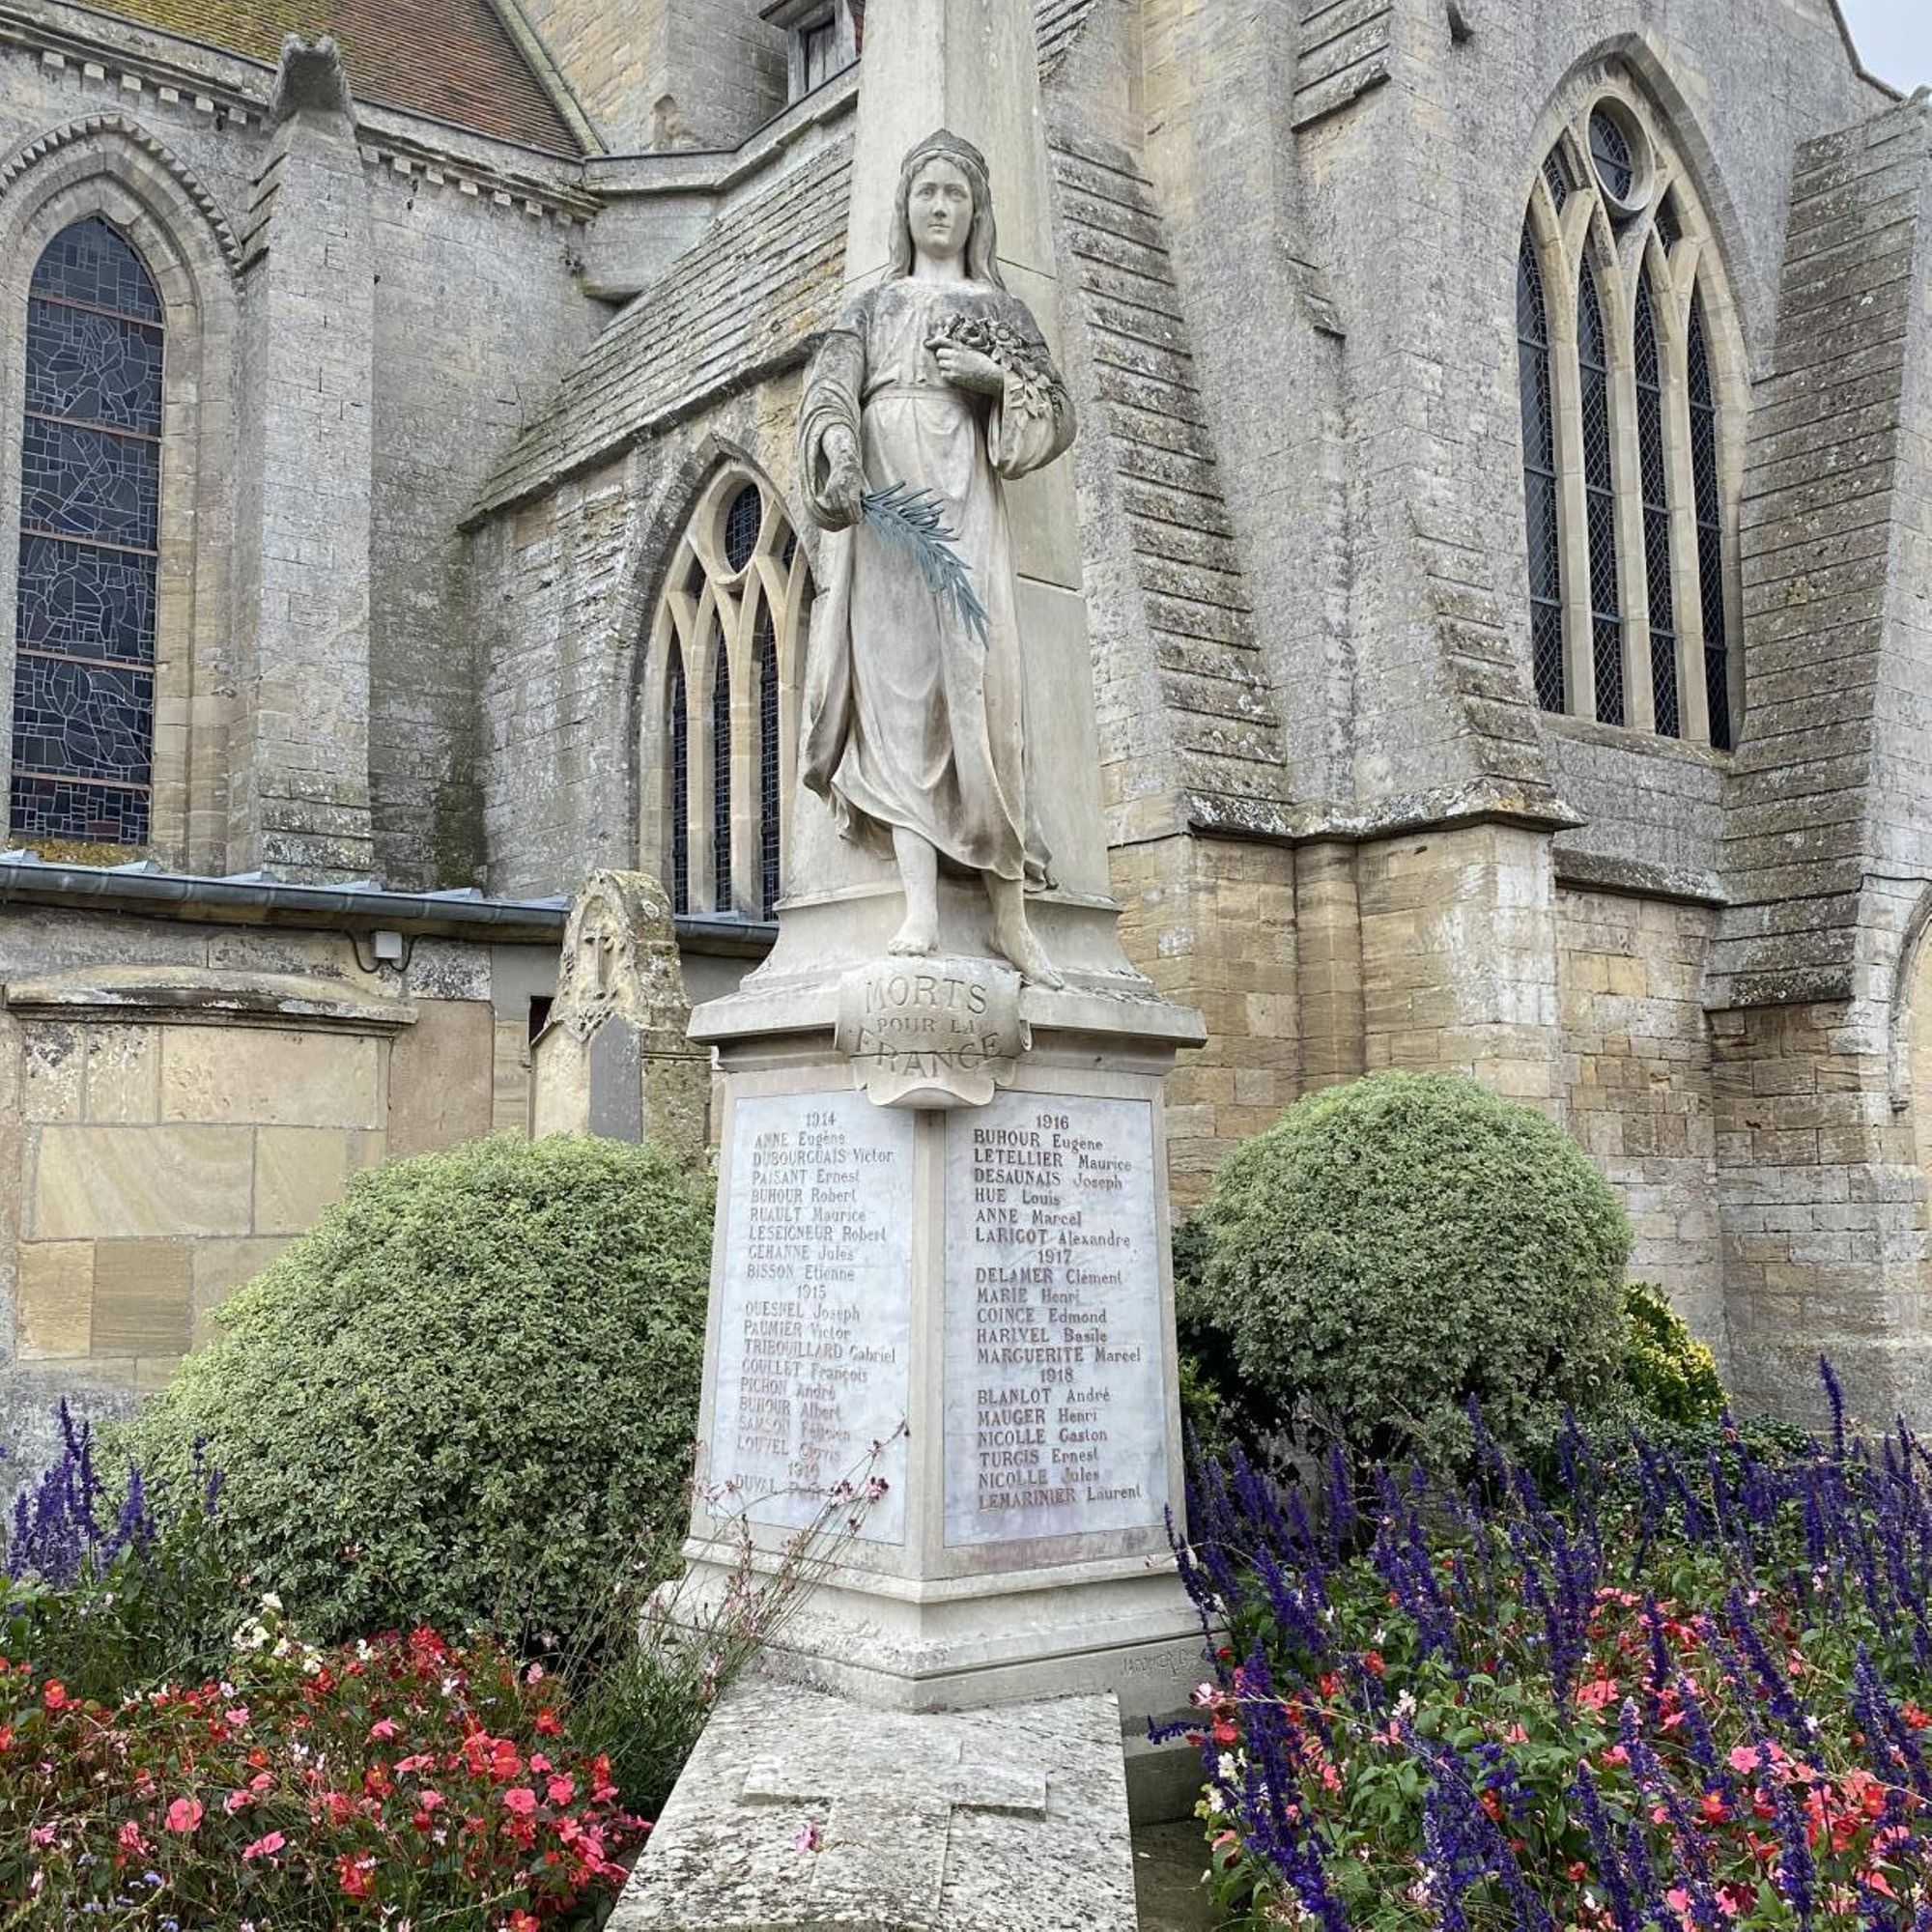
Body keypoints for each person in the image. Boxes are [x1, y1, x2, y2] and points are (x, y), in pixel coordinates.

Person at [799, 128, 1076, 988]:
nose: (941, 207)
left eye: (956, 194)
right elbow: (827, 389)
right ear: (906, 207)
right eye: (928, 193)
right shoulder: (873, 308)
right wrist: (839, 448)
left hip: (964, 506)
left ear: (977, 210)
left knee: (988, 699)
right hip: (887, 518)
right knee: (899, 703)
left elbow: (1057, 412)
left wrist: (991, 380)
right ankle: (919, 906)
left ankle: (1012, 920)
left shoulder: (1002, 312)